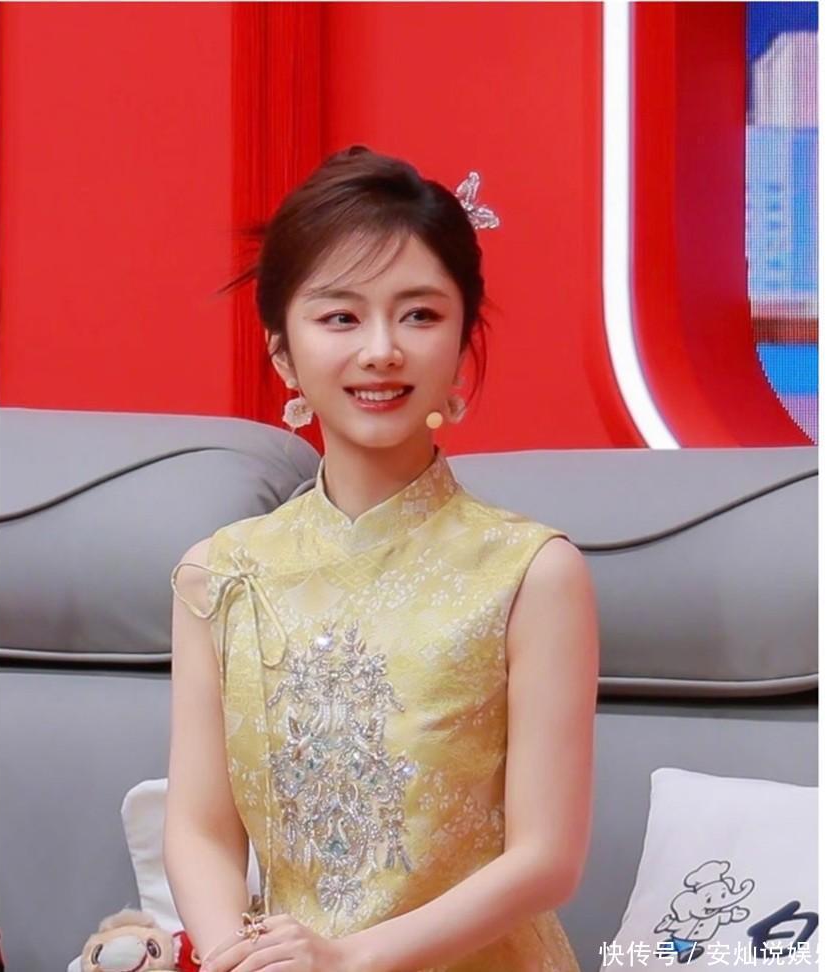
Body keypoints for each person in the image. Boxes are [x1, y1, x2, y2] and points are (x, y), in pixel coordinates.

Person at [166, 145, 599, 972]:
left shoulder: (531, 572)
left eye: (419, 315)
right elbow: (199, 827)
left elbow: (547, 860)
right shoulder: (217, 574)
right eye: (340, 317)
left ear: (462, 345)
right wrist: (232, 957)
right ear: (282, 353)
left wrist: (345, 960)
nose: (380, 350)